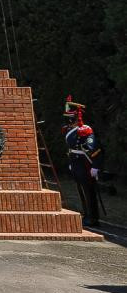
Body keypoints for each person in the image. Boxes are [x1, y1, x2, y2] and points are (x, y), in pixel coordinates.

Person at [63, 95, 104, 228]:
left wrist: (96, 166)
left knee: (89, 191)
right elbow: (71, 149)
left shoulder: (85, 130)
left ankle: (93, 218)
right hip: (76, 163)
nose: (69, 121)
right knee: (81, 190)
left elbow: (95, 149)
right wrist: (71, 162)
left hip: (85, 164)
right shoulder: (71, 130)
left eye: (70, 118)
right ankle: (86, 214)